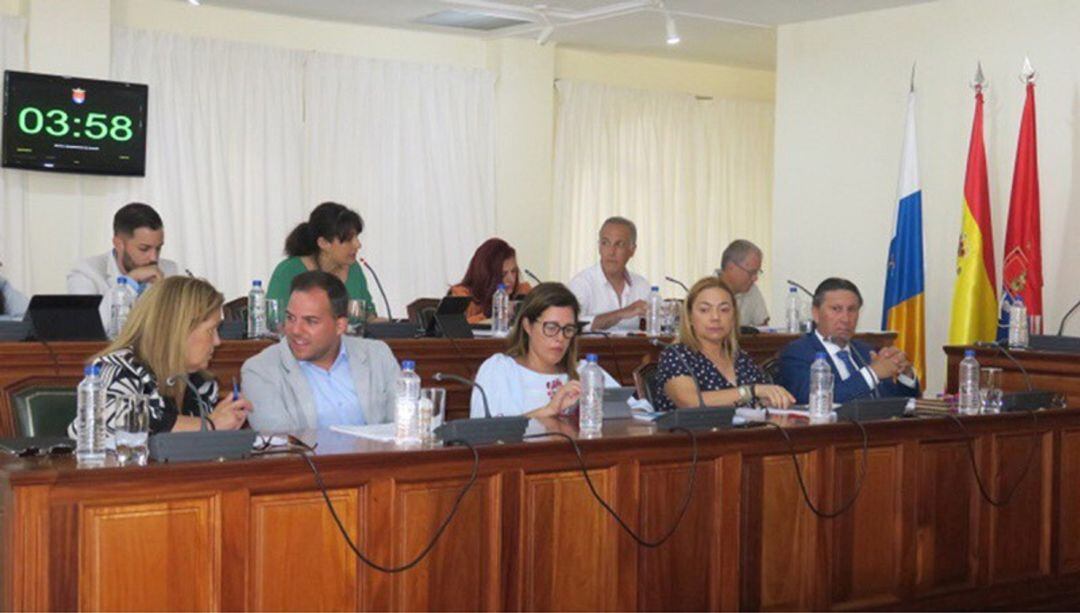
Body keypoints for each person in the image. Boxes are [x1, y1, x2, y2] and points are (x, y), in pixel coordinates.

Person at [67, 276, 252, 439]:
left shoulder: (200, 384)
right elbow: (105, 421)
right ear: (178, 330)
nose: (218, 341)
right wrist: (210, 426)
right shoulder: (118, 367)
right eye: (211, 330)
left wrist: (226, 429)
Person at [242, 271, 399, 432]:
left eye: (310, 321)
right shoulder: (260, 370)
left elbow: (403, 426)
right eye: (290, 318)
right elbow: (279, 444)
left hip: (377, 456)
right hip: (307, 458)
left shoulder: (378, 356)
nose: (295, 330)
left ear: (340, 326)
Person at [471, 282, 618, 419]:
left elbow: (638, 410)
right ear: (528, 326)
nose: (560, 338)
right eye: (551, 328)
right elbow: (489, 434)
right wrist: (549, 410)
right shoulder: (501, 370)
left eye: (568, 329)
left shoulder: (586, 371)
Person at [654, 277, 794, 412]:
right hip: (693, 435)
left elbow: (761, 396)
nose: (715, 317)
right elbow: (691, 402)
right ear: (690, 316)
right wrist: (750, 391)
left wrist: (770, 400)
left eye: (724, 310)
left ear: (733, 317)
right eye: (704, 310)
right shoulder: (676, 355)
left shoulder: (740, 358)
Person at [777, 277, 919, 404]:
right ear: (815, 313)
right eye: (836, 309)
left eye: (852, 310)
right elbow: (816, 400)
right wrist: (872, 373)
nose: (845, 319)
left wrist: (905, 374)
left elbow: (895, 403)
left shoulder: (866, 351)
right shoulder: (797, 353)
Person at [67, 202, 181, 325]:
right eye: (144, 249)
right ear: (118, 244)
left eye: (158, 248)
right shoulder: (86, 273)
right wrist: (130, 281)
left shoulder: (169, 270)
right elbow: (88, 326)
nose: (154, 258)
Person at [267, 202, 376, 318]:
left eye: (357, 237)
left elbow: (368, 315)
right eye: (348, 240)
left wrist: (383, 325)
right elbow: (276, 322)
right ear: (323, 243)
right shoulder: (287, 271)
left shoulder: (354, 269)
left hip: (351, 337)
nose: (358, 245)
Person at [567, 216, 651, 332]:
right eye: (605, 243)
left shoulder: (642, 285)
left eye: (619, 244)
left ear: (632, 250)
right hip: (591, 350)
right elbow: (571, 324)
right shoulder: (582, 283)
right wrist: (621, 313)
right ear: (599, 247)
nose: (611, 252)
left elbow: (661, 322)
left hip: (635, 350)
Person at [449, 238, 533, 324]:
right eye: (503, 274)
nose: (511, 279)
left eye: (513, 271)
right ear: (486, 275)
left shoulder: (523, 291)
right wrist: (492, 313)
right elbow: (456, 328)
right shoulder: (462, 296)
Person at [715, 239, 769, 327]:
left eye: (757, 272)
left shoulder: (752, 290)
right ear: (731, 267)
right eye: (751, 272)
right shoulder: (705, 291)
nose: (755, 278)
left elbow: (763, 330)